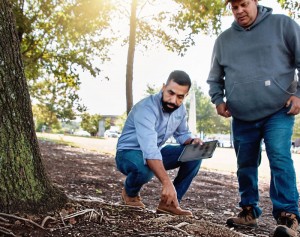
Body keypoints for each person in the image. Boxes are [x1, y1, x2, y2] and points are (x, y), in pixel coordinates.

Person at [207, 0, 300, 236]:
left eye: (244, 4)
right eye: (234, 7)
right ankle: (248, 211)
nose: (239, 11)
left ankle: (288, 217)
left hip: (278, 109)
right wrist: (218, 99)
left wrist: (299, 94)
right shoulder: (224, 40)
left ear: (256, 1)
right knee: (245, 164)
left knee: (279, 156)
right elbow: (215, 78)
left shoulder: (283, 25)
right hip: (242, 115)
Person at [115, 70, 202, 217]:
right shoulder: (146, 108)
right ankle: (130, 194)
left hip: (155, 151)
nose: (173, 100)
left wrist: (192, 141)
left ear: (185, 96)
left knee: (194, 154)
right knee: (144, 169)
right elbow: (149, 150)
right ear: (163, 87)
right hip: (128, 153)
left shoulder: (180, 110)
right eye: (170, 93)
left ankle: (170, 204)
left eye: (180, 97)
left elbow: (182, 134)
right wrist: (167, 183)